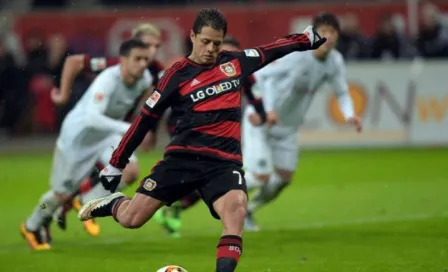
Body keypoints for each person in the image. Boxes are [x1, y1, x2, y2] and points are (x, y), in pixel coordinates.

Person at [78, 8, 325, 272]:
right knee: (131, 219)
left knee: (236, 210)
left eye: (216, 43)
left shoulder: (235, 63)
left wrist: (305, 40)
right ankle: (113, 203)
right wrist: (116, 164)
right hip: (181, 160)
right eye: (205, 41)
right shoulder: (176, 75)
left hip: (223, 164)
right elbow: (144, 121)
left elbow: (271, 50)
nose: (210, 49)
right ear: (193, 36)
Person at [20, 39, 153, 251]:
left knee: (130, 171)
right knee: (60, 195)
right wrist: (128, 129)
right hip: (78, 139)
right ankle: (33, 223)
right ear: (123, 60)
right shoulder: (108, 78)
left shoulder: (144, 79)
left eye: (146, 59)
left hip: (106, 135)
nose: (143, 64)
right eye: (137, 58)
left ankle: (87, 200)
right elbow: (92, 118)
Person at [242, 13, 363, 232]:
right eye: (324, 32)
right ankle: (219, 189)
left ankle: (248, 210)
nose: (329, 37)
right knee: (260, 177)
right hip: (261, 121)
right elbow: (262, 76)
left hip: (287, 128)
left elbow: (342, 92)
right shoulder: (296, 55)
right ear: (315, 34)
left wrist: (349, 114)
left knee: (282, 180)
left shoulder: (334, 61)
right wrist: (266, 110)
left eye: (333, 32)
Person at [52, 23, 164, 236]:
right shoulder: (115, 66)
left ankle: (83, 202)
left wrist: (150, 130)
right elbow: (74, 61)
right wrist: (64, 95)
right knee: (63, 190)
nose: (151, 52)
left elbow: (153, 103)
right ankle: (46, 218)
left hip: (115, 133)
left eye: (156, 47)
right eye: (147, 45)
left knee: (129, 172)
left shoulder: (155, 72)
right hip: (91, 130)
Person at [153, 35, 265, 238]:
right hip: (186, 129)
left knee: (206, 177)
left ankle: (174, 205)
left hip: (224, 134)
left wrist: (262, 114)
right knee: (206, 174)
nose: (225, 58)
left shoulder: (241, 69)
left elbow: (255, 94)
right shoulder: (190, 68)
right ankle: (168, 204)